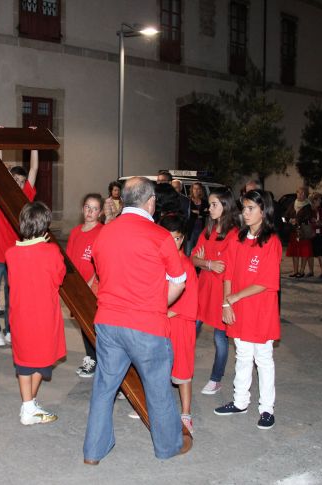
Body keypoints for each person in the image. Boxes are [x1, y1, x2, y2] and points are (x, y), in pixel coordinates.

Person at [83, 177, 189, 464]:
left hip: (108, 321)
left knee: (104, 388)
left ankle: (93, 451)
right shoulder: (160, 236)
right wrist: (156, 302)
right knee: (157, 390)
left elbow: (102, 272)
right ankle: (167, 447)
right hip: (146, 326)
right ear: (151, 201)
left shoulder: (103, 234)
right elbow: (179, 282)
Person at [215, 189, 281, 431]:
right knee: (242, 355)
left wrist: (235, 297)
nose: (246, 213)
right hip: (238, 308)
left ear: (264, 211)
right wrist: (226, 303)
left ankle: (266, 409)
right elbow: (228, 273)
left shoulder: (271, 241)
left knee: (263, 359)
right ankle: (240, 401)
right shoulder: (238, 239)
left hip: (260, 310)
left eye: (251, 208)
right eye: (244, 208)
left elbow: (266, 281)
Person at [129, 214, 198, 434]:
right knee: (156, 367)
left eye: (177, 238)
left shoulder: (185, 265)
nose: (173, 242)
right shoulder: (159, 262)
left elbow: (187, 302)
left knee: (182, 371)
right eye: (168, 238)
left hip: (179, 325)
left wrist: (158, 312)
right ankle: (152, 406)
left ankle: (186, 414)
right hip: (160, 323)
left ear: (182, 239)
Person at [6, 202, 66, 425]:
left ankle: (28, 405)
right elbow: (59, 278)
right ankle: (29, 406)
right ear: (45, 226)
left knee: (23, 360)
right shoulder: (51, 251)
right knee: (42, 360)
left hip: (21, 315)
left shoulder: (11, 253)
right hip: (43, 316)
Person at [0, 151, 38, 347]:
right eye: (14, 179)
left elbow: (34, 169)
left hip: (17, 256)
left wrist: (34, 146)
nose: (19, 183)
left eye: (22, 181)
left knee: (13, 295)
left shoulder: (25, 198)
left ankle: (10, 330)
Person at [191, 188, 240, 395]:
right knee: (189, 332)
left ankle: (216, 378)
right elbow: (193, 258)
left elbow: (227, 267)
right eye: (209, 204)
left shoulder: (234, 234)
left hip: (222, 293)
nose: (209, 209)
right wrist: (207, 263)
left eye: (214, 205)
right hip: (203, 291)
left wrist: (205, 263)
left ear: (226, 206)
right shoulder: (207, 231)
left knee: (220, 339)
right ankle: (177, 369)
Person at [65, 193, 104, 378]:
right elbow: (69, 262)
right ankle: (91, 357)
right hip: (78, 288)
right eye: (88, 207)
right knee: (84, 323)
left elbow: (102, 263)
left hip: (94, 288)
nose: (90, 211)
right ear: (82, 209)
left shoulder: (102, 232)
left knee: (95, 324)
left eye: (95, 208)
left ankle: (97, 358)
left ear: (100, 212)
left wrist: (90, 283)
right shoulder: (75, 232)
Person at [285, 186, 314, 277]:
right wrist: (289, 220)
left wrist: (297, 221)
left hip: (303, 232)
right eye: (298, 193)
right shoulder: (293, 204)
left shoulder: (308, 205)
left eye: (302, 193)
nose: (300, 195)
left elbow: (308, 217)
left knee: (304, 252)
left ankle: (301, 271)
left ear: (305, 195)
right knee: (295, 252)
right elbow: (285, 216)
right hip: (294, 232)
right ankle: (295, 271)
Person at [307, 192, 322, 278]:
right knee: (309, 253)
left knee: (319, 253)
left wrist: (320, 223)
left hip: (318, 234)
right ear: (314, 200)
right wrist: (315, 223)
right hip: (309, 233)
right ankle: (311, 271)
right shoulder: (308, 210)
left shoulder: (320, 210)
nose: (321, 200)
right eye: (319, 199)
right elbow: (306, 221)